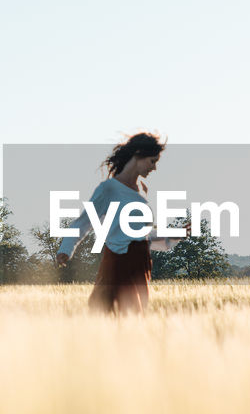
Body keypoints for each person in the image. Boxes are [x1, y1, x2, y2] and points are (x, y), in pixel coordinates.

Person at [56, 131, 184, 315]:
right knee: (109, 316)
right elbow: (84, 222)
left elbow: (141, 233)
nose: (154, 168)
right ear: (138, 154)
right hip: (119, 262)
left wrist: (174, 234)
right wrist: (65, 248)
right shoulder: (109, 189)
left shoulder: (143, 190)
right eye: (152, 161)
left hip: (141, 265)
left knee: (133, 322)